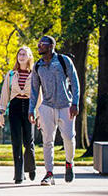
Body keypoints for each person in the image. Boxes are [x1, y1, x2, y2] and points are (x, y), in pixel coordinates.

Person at [29, 36, 80, 185]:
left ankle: (69, 163)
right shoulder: (38, 66)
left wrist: (75, 103)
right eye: (38, 44)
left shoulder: (64, 61)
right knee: (47, 141)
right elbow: (34, 90)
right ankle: (49, 173)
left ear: (51, 46)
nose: (38, 46)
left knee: (69, 138)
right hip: (47, 106)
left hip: (66, 106)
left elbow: (75, 83)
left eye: (42, 44)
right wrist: (32, 109)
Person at [0, 46, 41, 184]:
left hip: (30, 107)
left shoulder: (35, 74)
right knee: (16, 142)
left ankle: (31, 167)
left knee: (28, 141)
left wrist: (39, 114)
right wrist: (1, 112)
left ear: (29, 57)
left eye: (24, 54)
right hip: (15, 107)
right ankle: (18, 174)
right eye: (19, 54)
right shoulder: (11, 74)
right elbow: (5, 94)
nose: (21, 56)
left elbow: (39, 94)